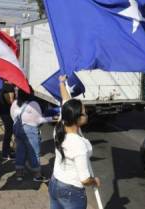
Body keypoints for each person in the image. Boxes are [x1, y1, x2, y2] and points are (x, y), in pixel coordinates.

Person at [48, 75, 101, 209]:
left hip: (55, 183)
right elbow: (84, 179)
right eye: (84, 113)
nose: (86, 113)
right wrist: (94, 181)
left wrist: (61, 82)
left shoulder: (59, 126)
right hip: (71, 192)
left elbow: (66, 100)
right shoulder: (78, 144)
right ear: (77, 119)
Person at [10, 87, 54, 182]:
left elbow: (12, 116)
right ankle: (37, 175)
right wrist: (53, 118)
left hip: (17, 129)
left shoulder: (14, 103)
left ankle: (19, 174)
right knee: (34, 153)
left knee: (20, 151)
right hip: (30, 131)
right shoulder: (33, 104)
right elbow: (39, 120)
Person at [0, 80, 16, 160]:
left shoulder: (4, 86)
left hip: (3, 112)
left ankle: (7, 150)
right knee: (8, 132)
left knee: (8, 132)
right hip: (7, 113)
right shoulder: (9, 87)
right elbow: (10, 101)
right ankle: (5, 153)